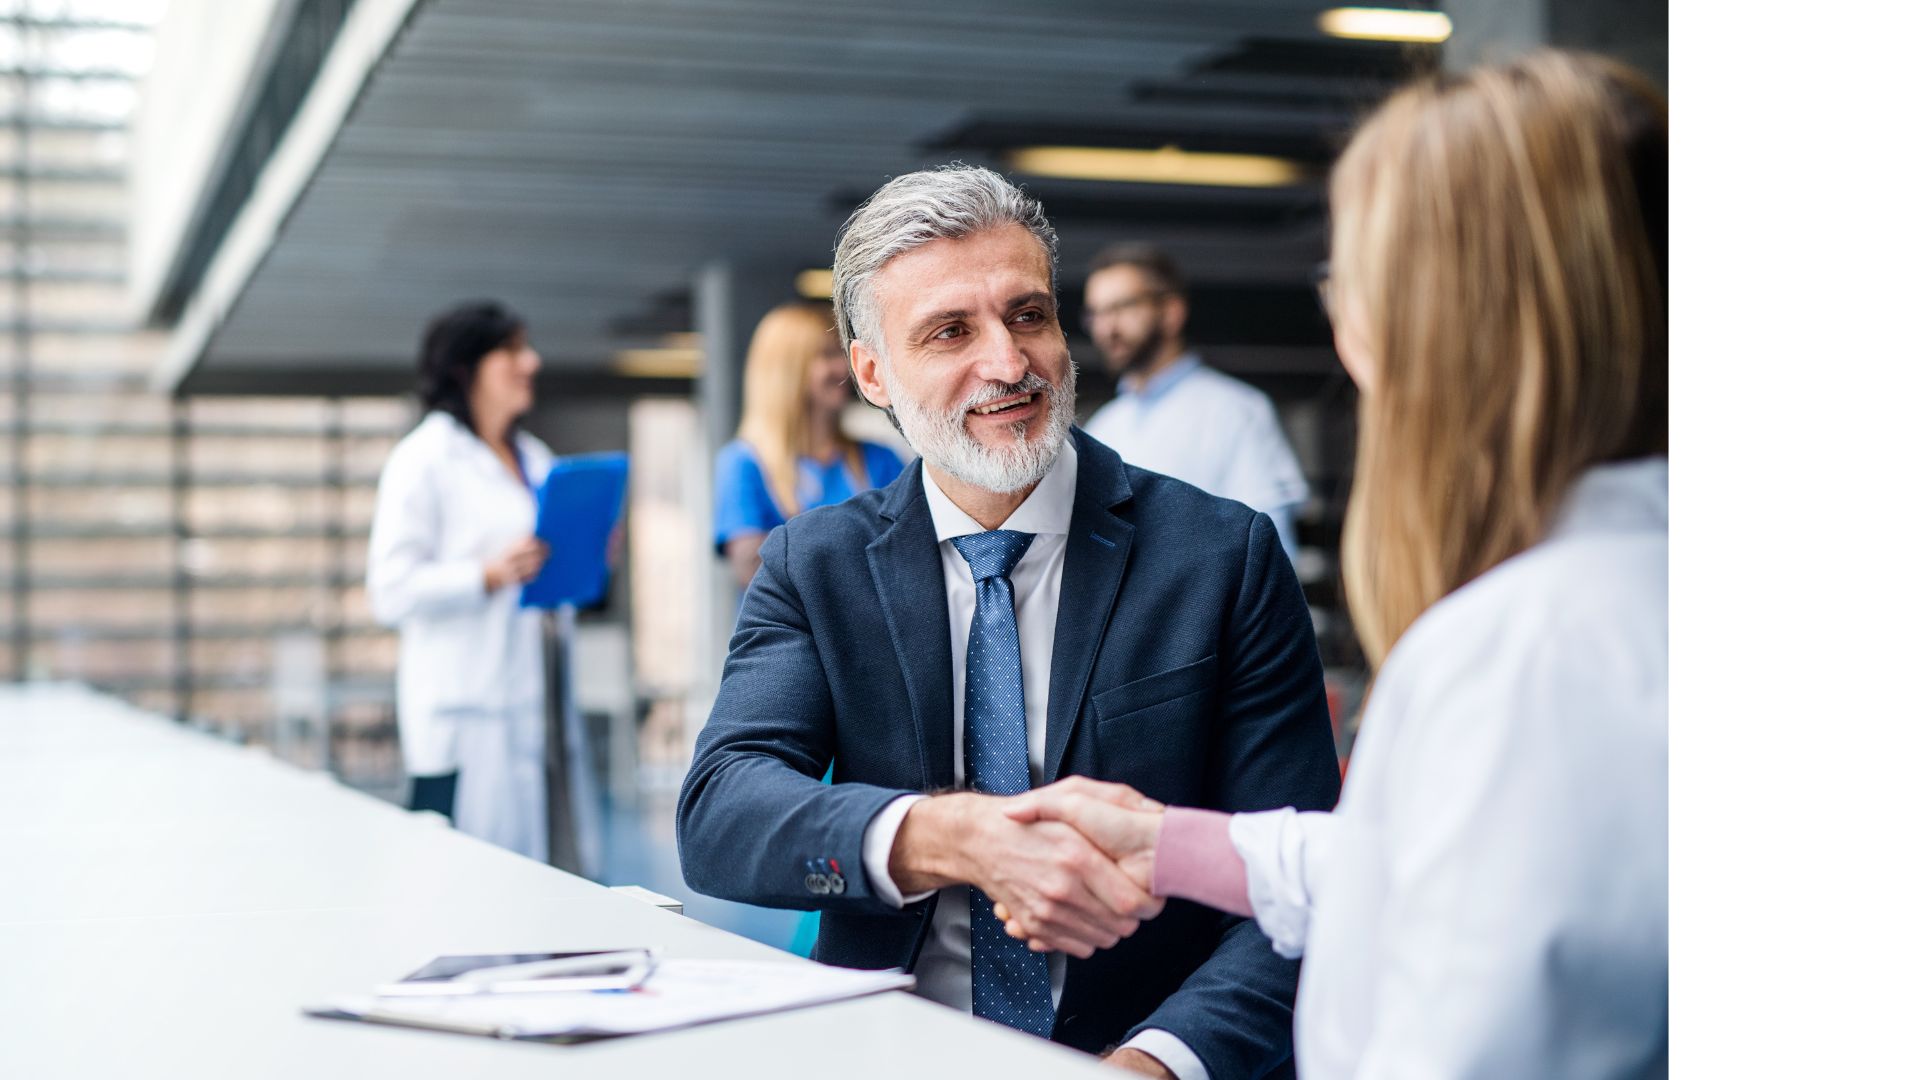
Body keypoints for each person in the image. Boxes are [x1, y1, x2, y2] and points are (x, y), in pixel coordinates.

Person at [1001, 51, 1669, 1079]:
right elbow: (1450, 870)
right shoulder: (1609, 598)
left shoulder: (1518, 655)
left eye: (1349, 280)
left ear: (1438, 321)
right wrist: (1175, 845)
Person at [677, 166, 1341, 1080]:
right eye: (951, 330)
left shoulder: (1221, 558)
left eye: (1028, 315)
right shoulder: (814, 566)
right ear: (872, 372)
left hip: (1142, 1048)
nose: (1008, 362)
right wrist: (952, 839)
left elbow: (1298, 885)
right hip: (889, 1050)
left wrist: (1156, 1063)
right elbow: (722, 812)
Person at [367, 300, 599, 873]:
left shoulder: (535, 457)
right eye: (513, 350)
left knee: (554, 875)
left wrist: (588, 552)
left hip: (539, 704)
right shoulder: (424, 459)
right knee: (471, 881)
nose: (532, 362)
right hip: (468, 714)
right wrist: (486, 575)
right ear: (465, 367)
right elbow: (390, 590)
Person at [1080, 244, 1310, 557]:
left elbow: (1272, 551)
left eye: (1123, 307)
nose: (1108, 328)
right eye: (1097, 314)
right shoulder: (1103, 427)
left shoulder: (1238, 411)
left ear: (1172, 312)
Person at [714, 301, 906, 589]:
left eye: (843, 352)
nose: (844, 366)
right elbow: (756, 574)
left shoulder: (880, 459)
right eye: (827, 354)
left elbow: (910, 552)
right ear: (788, 371)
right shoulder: (744, 463)